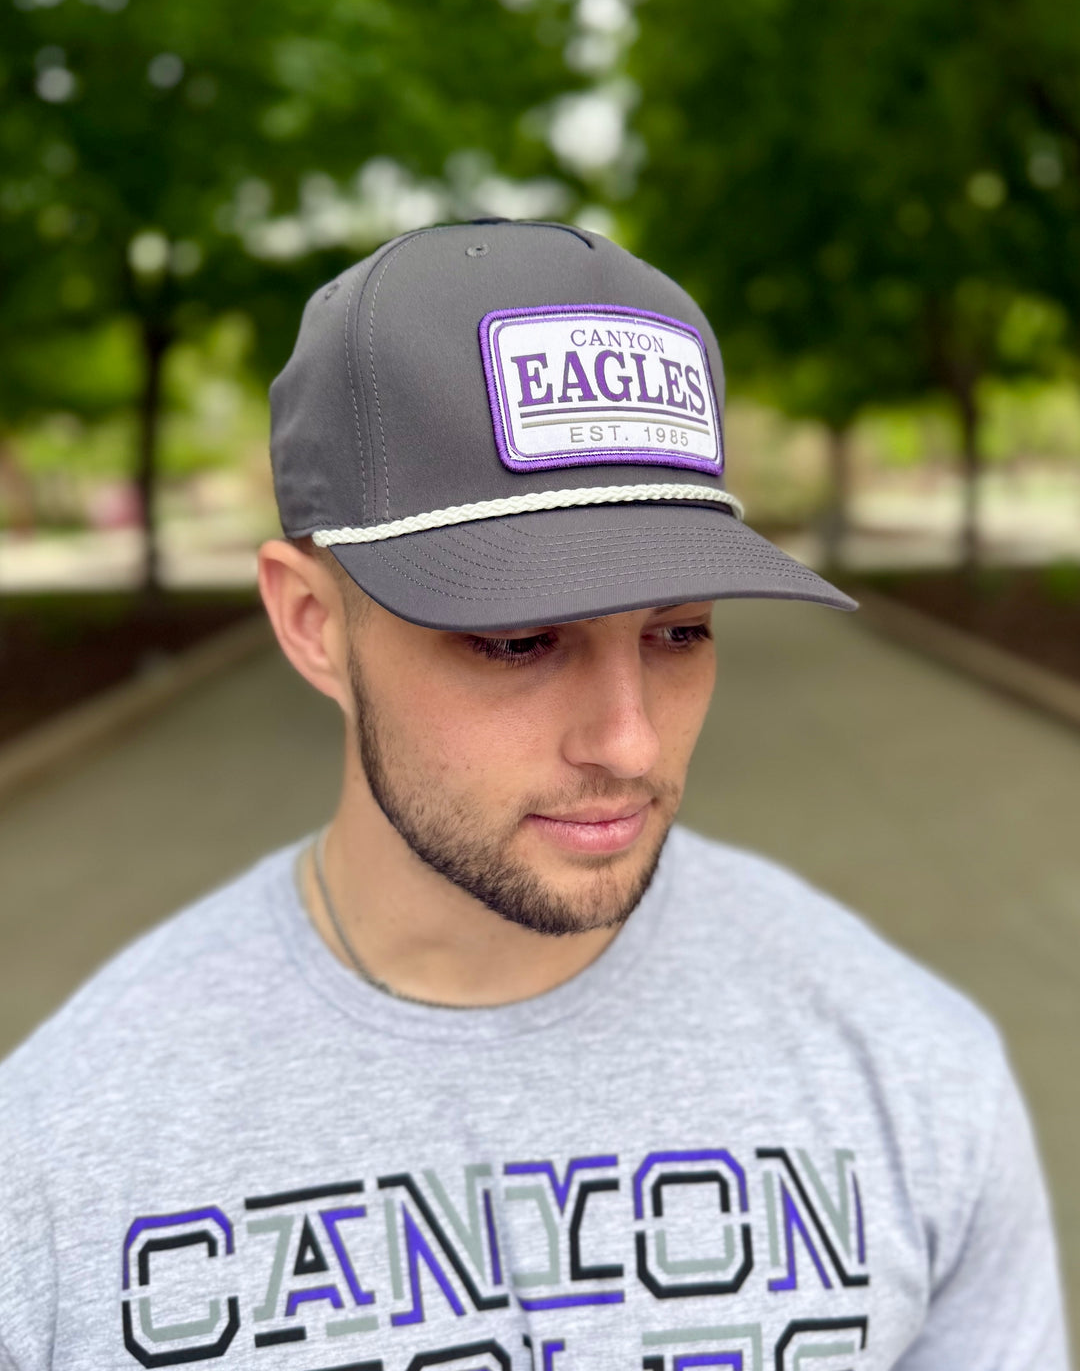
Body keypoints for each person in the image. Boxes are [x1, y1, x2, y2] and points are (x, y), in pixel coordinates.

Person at [0, 220, 1068, 1371]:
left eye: (679, 631)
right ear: (312, 623)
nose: (629, 740)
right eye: (516, 640)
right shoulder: (61, 1165)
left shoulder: (913, 1069)